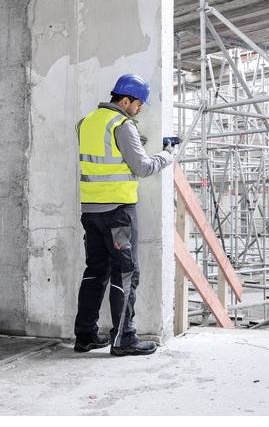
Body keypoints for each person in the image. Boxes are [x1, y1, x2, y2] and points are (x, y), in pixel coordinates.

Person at [73, 74, 175, 356]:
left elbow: (104, 156)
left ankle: (85, 337)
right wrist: (168, 154)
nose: (140, 109)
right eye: (139, 103)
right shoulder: (122, 124)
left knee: (95, 272)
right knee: (126, 273)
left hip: (90, 211)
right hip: (118, 213)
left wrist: (132, 143)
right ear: (126, 100)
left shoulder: (86, 123)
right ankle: (123, 339)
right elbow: (142, 167)